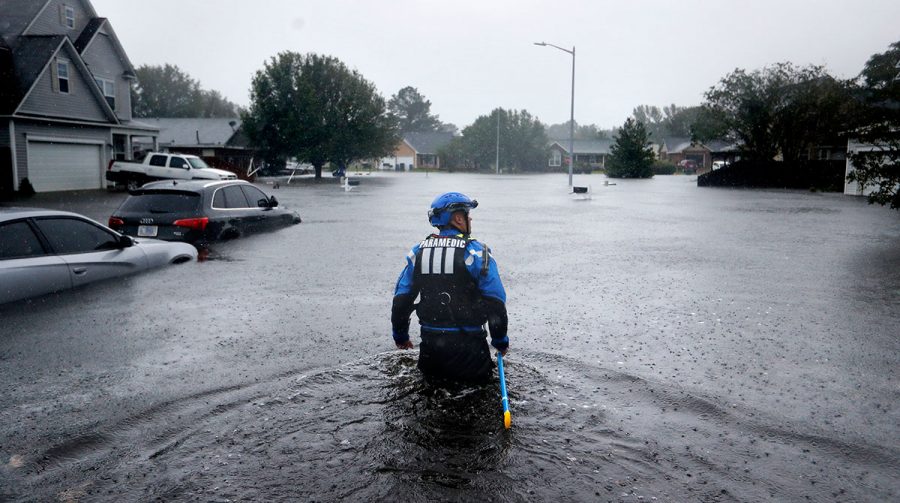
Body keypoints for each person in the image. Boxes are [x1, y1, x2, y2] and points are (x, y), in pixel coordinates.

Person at [391, 192, 508, 383]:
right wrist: (500, 341)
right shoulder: (477, 253)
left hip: (431, 349)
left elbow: (401, 300)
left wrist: (401, 336)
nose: (470, 218)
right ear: (458, 218)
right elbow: (496, 303)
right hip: (470, 352)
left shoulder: (418, 253)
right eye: (467, 214)